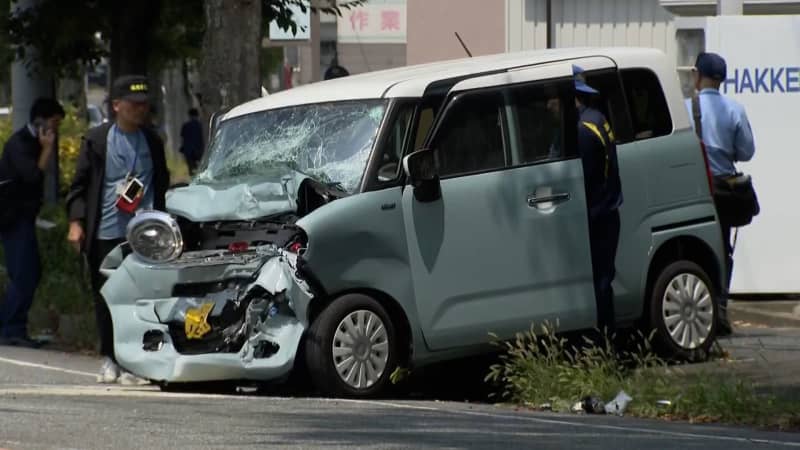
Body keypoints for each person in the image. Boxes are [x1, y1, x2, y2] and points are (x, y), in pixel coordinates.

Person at [66, 75, 170, 384]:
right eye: (134, 105)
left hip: (146, 236)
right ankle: (110, 357)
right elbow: (79, 186)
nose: (141, 110)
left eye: (144, 105)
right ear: (116, 106)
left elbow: (162, 183)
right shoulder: (98, 140)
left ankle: (140, 360)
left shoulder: (152, 140)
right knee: (108, 298)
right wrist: (76, 222)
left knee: (144, 298)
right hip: (107, 233)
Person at [685, 52, 755, 336]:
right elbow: (747, 152)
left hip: (694, 189)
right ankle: (721, 309)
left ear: (698, 76)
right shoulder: (735, 110)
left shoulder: (686, 108)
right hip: (724, 191)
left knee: (693, 248)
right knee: (722, 248)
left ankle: (699, 312)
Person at [0, 98, 64, 347]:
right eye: (54, 123)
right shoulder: (19, 143)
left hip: (24, 217)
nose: (56, 129)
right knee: (24, 274)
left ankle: (10, 324)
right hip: (12, 218)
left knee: (29, 272)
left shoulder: (33, 143)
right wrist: (47, 149)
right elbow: (31, 177)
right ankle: (11, 328)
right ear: (41, 123)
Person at [573, 66, 624, 335]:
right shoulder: (598, 118)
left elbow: (586, 177)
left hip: (597, 215)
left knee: (599, 284)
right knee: (604, 282)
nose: (549, 104)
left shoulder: (583, 130)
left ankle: (605, 345)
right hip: (609, 212)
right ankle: (608, 340)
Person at [179, 108, 203, 175]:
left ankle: (192, 179)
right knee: (199, 167)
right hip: (198, 150)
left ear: (189, 115)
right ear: (197, 115)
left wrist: (183, 149)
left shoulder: (186, 125)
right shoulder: (200, 125)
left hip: (188, 150)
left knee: (191, 168)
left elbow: (182, 138)